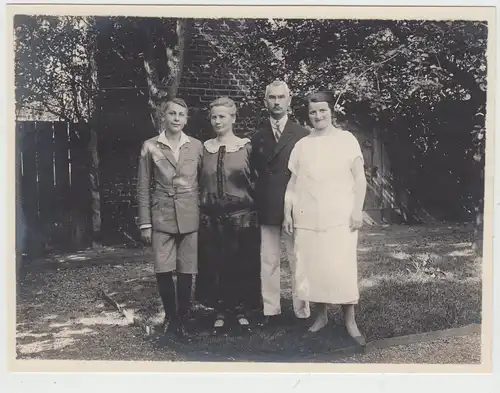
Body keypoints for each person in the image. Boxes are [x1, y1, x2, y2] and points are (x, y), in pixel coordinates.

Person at [283, 91, 367, 345]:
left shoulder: (346, 140)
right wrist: (287, 212)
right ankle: (321, 317)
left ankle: (349, 320)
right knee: (313, 267)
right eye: (313, 112)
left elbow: (360, 178)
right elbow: (292, 183)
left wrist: (357, 210)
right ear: (307, 116)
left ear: (331, 111)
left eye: (322, 110)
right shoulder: (302, 145)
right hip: (307, 215)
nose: (318, 116)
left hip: (339, 215)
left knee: (340, 267)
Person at [136, 96, 203, 338]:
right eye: (172, 113)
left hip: (189, 216)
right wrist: (145, 223)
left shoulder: (196, 146)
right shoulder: (150, 146)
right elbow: (143, 186)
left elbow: (203, 182)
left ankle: (183, 318)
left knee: (187, 269)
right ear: (163, 116)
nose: (176, 118)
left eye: (181, 115)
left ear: (186, 119)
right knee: (163, 269)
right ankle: (170, 318)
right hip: (161, 216)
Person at [195, 97, 261, 334]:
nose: (217, 121)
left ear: (233, 118)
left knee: (241, 265)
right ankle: (220, 311)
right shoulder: (204, 149)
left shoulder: (246, 146)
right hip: (212, 219)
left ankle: (242, 311)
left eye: (222, 116)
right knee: (216, 265)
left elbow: (257, 179)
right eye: (214, 117)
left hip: (242, 217)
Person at [250, 80, 311, 325]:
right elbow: (253, 173)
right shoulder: (257, 136)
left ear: (289, 100)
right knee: (269, 260)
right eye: (272, 98)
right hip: (266, 206)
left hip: (295, 206)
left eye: (281, 97)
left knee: (298, 258)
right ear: (266, 102)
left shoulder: (302, 135)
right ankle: (271, 311)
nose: (276, 102)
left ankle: (302, 310)